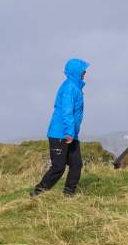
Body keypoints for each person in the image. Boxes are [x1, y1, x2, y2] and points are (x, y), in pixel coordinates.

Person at [32, 58, 88, 197]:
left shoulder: (75, 87)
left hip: (70, 134)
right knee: (58, 167)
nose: (85, 72)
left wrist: (73, 133)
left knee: (76, 165)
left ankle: (69, 194)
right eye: (82, 70)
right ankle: (38, 193)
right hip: (61, 134)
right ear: (76, 72)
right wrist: (69, 132)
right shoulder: (69, 87)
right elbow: (67, 111)